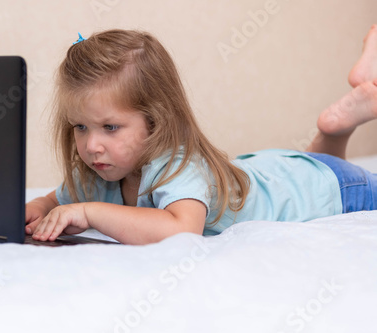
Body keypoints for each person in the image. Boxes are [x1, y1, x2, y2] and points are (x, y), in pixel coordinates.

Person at [25, 26, 377, 245]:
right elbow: (57, 201)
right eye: (80, 127)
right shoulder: (102, 168)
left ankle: (336, 128)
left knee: (333, 176)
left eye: (110, 127)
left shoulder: (178, 163)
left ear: (157, 121)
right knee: (321, 166)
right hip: (277, 171)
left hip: (326, 188)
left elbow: (181, 230)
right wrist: (35, 209)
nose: (91, 145)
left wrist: (89, 213)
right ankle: (335, 128)